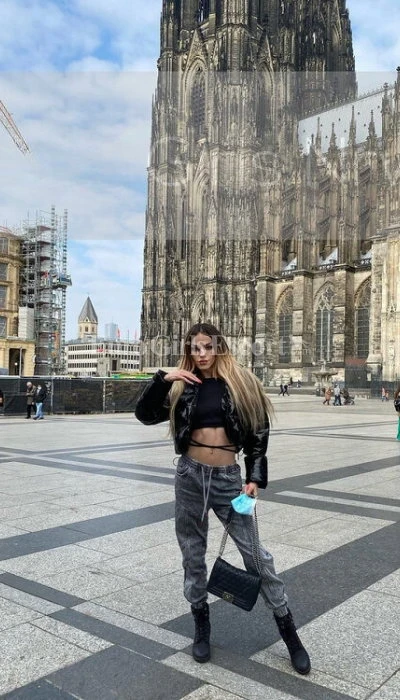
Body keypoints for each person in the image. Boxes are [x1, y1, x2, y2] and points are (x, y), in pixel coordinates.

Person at [135, 323, 311, 675]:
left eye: (206, 347)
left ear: (219, 347)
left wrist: (254, 477)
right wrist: (162, 379)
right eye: (194, 348)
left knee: (256, 557)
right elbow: (145, 415)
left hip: (228, 479)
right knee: (193, 555)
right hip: (190, 476)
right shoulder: (182, 386)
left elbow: (258, 433)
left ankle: (289, 631)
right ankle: (201, 624)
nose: (201, 354)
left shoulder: (241, 382)